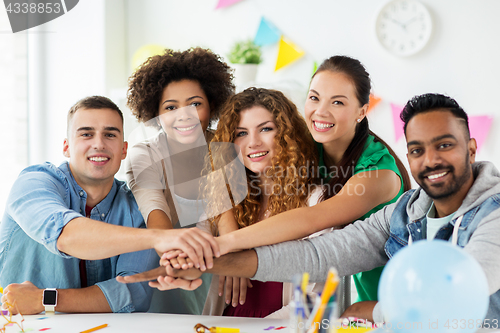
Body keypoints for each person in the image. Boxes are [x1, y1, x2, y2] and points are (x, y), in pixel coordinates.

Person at [120, 93, 500, 321]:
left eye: (445, 145)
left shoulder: (494, 213)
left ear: (471, 148)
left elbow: (459, 296)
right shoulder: (403, 213)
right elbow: (318, 256)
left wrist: (374, 311)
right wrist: (195, 262)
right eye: (417, 149)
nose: (430, 160)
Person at [170, 55, 410, 304]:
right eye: (314, 97)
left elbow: (312, 219)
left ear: (362, 111)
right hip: (348, 291)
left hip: (390, 292)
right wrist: (230, 236)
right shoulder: (309, 144)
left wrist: (227, 247)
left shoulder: (378, 175)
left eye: (337, 102)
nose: (321, 111)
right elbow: (221, 171)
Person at [0, 96, 219, 315]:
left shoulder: (136, 208)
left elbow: (133, 292)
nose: (99, 144)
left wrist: (45, 299)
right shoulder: (34, 183)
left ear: (124, 150)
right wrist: (159, 236)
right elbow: (66, 236)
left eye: (110, 134)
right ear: (66, 147)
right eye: (86, 134)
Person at [125, 47, 234, 314]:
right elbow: (158, 223)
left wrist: (236, 264)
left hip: (221, 272)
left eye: (195, 104)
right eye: (171, 107)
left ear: (212, 104)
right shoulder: (145, 154)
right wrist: (178, 263)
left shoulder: (226, 148)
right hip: (166, 270)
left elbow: (224, 217)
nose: (183, 115)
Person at [198, 87, 324, 318]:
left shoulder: (315, 200)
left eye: (265, 129)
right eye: (241, 133)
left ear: (288, 135)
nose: (253, 142)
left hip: (281, 326)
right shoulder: (223, 200)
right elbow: (196, 245)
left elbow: (316, 295)